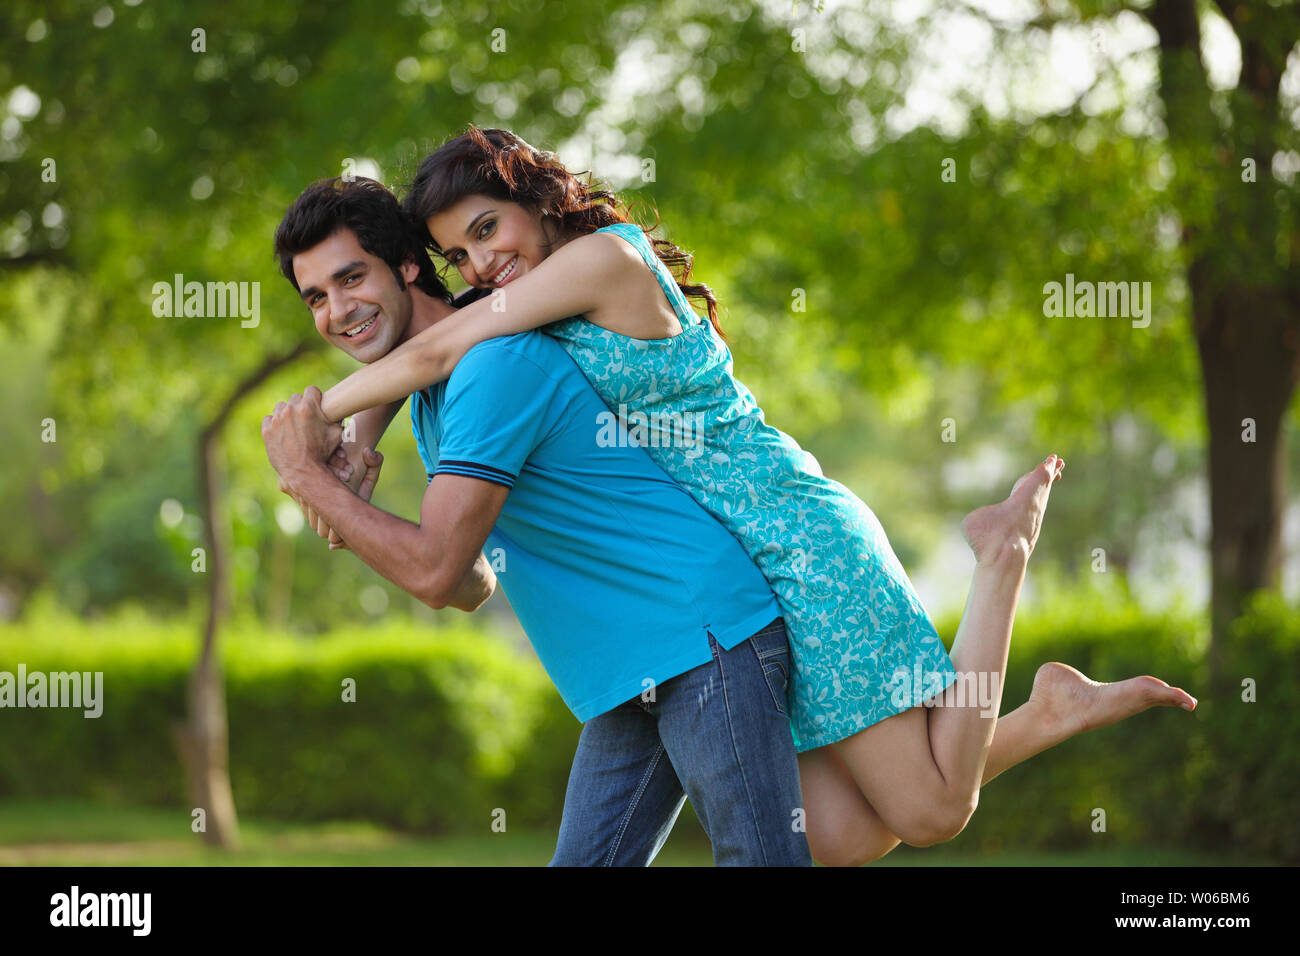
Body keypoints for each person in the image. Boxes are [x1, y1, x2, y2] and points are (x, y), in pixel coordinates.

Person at [304, 127, 1198, 866]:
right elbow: (426, 353)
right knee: (841, 835)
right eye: (459, 251)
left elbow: (425, 351)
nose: (480, 263)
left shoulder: (605, 262)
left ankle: (1002, 556)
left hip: (798, 537)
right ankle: (1050, 708)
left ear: (540, 199)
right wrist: (362, 440)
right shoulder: (530, 302)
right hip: (741, 559)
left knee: (928, 814)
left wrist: (310, 427)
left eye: (489, 230)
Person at [262, 177, 814, 866]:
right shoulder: (433, 394)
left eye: (351, 278)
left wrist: (311, 478)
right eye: (316, 296)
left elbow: (434, 574)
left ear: (407, 264)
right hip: (628, 670)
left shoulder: (492, 366)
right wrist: (351, 507)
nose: (338, 310)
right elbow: (470, 586)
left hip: (703, 638)